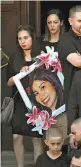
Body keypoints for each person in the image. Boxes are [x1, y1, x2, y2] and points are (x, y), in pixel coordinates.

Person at [7, 25, 43, 167]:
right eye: (20, 38)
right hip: (20, 102)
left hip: (37, 101)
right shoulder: (14, 57)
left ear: (32, 38)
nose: (23, 41)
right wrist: (19, 74)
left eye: (26, 38)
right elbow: (9, 82)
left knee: (36, 139)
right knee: (16, 137)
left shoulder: (41, 56)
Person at [29, 68, 68, 153]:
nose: (41, 96)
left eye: (43, 87)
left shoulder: (68, 107)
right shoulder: (41, 117)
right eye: (36, 93)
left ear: (53, 83)